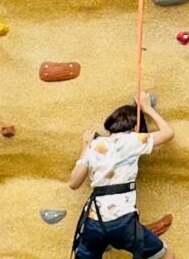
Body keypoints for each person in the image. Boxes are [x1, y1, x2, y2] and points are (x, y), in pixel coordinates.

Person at [68, 94, 176, 259]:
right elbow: (168, 132)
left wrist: (86, 146)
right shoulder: (133, 140)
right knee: (166, 255)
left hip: (94, 222)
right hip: (122, 222)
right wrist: (147, 108)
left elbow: (74, 183)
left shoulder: (96, 144)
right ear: (135, 127)